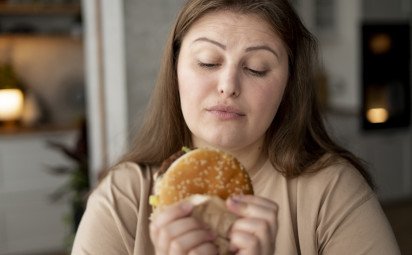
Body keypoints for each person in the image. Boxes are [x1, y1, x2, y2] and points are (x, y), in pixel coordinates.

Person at [72, 0, 400, 254]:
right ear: (175, 70)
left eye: (257, 68)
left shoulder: (332, 192)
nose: (228, 85)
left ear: (289, 83)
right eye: (208, 62)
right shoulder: (123, 198)